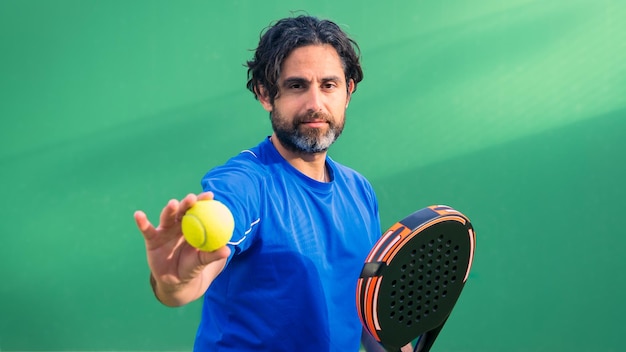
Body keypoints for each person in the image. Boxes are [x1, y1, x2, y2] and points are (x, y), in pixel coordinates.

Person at [134, 15, 411, 352]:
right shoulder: (244, 184)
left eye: (328, 85)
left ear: (348, 92)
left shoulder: (359, 191)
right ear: (266, 94)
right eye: (297, 86)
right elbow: (192, 280)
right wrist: (175, 283)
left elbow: (367, 314)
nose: (315, 104)